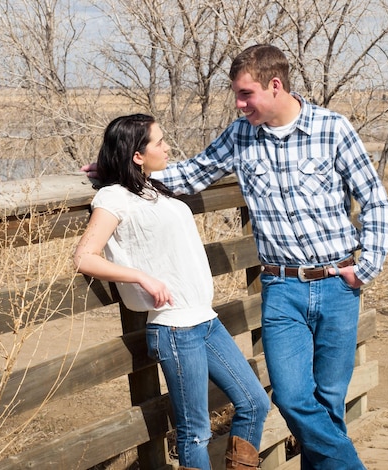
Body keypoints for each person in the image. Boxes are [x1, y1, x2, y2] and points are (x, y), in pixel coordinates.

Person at [82, 45, 388, 469]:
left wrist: (366, 266)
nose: (239, 104)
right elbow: (193, 174)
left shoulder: (332, 129)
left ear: (275, 86)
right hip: (281, 286)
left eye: (246, 95)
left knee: (329, 402)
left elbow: (373, 197)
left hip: (338, 283)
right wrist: (118, 169)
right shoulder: (241, 134)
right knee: (290, 396)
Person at [74, 114, 270, 470]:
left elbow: (191, 171)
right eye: (159, 142)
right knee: (194, 431)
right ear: (137, 155)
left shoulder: (153, 186)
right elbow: (85, 257)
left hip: (204, 319)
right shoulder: (113, 198)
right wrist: (140, 277)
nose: (167, 147)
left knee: (255, 402)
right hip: (174, 329)